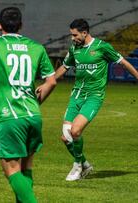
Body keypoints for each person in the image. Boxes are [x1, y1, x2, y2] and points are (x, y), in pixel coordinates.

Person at [0, 7, 56, 202]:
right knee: (26, 168)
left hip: (11, 116)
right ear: (21, 25)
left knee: (11, 170)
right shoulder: (36, 47)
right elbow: (51, 81)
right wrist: (36, 102)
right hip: (33, 115)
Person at [55, 19, 138, 181]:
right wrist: (48, 83)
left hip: (94, 97)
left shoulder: (102, 47)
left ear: (84, 33)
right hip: (76, 96)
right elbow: (64, 68)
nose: (72, 38)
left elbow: (123, 62)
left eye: (75, 35)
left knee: (75, 131)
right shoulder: (74, 49)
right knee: (66, 137)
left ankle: (77, 165)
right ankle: (85, 165)